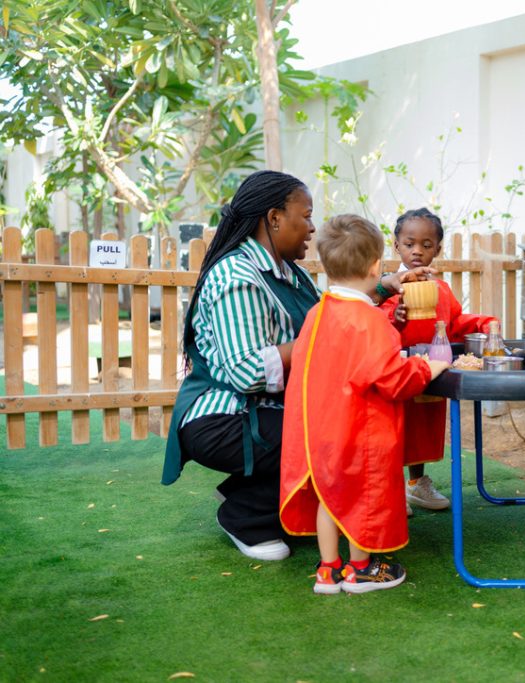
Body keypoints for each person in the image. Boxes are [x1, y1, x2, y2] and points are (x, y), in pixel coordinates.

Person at [162, 171, 428, 562]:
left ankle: (247, 489)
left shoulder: (292, 274)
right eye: (305, 216)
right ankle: (246, 514)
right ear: (273, 218)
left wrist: (388, 284)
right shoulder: (237, 276)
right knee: (339, 436)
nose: (312, 226)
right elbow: (248, 372)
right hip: (223, 418)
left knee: (343, 423)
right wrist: (320, 342)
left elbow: (334, 311)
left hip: (264, 410)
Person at [279, 215, 449, 594]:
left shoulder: (317, 313)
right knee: (360, 500)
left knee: (329, 498)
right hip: (359, 432)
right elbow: (392, 378)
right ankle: (361, 569)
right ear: (376, 266)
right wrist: (426, 367)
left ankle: (328, 570)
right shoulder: (370, 321)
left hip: (319, 431)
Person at [379, 208, 497, 514]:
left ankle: (415, 484)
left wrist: (483, 324)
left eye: (426, 244)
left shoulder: (442, 289)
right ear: (396, 245)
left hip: (432, 371)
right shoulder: (387, 286)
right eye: (409, 243)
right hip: (399, 370)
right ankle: (389, 489)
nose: (417, 250)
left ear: (438, 249)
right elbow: (374, 324)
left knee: (421, 430)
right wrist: (393, 316)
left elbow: (455, 322)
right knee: (393, 430)